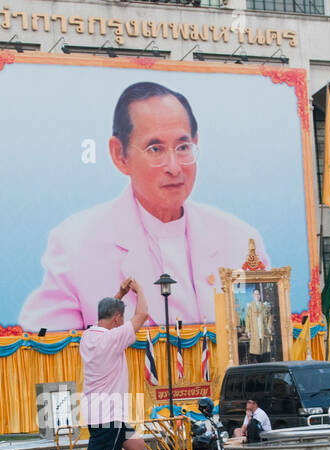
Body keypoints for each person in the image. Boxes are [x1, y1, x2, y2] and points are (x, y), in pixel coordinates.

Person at [18, 82, 269, 331]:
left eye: (183, 147)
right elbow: (46, 349)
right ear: (120, 155)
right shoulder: (74, 245)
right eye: (155, 149)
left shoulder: (240, 239)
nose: (174, 167)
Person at [38, 279, 158, 450]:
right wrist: (139, 290)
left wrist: (121, 294)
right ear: (116, 320)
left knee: (136, 446)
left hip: (100, 410)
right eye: (121, 319)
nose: (123, 323)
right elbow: (143, 313)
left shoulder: (89, 336)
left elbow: (109, 312)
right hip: (108, 413)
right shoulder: (112, 339)